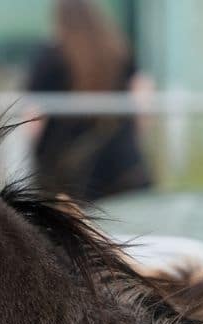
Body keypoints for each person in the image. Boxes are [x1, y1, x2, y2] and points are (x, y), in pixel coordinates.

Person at [26, 0, 152, 201]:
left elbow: (33, 119)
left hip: (67, 175)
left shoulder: (51, 56)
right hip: (124, 165)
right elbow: (142, 95)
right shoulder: (118, 50)